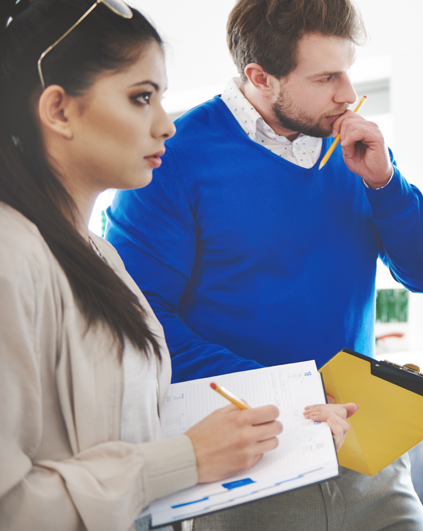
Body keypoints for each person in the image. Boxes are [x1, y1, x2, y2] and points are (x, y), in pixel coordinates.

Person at [104, 0, 423, 528]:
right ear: (260, 77)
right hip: (247, 466)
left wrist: (385, 183)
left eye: (348, 70)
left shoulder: (352, 145)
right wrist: (293, 395)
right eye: (327, 76)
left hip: (365, 461)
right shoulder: (171, 158)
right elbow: (139, 322)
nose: (346, 91)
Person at [0, 0, 347, 528]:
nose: (166, 125)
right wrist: (186, 458)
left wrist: (288, 414)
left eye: (160, 98)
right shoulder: (11, 255)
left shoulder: (99, 255)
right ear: (59, 110)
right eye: (141, 98)